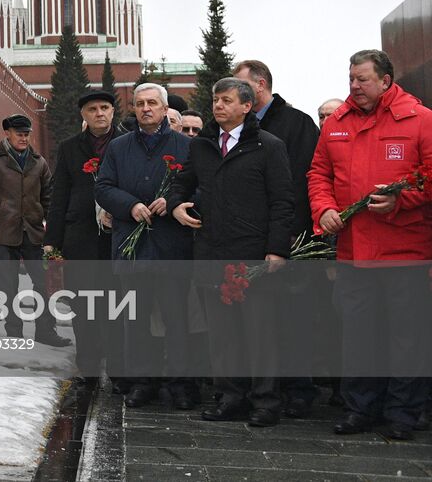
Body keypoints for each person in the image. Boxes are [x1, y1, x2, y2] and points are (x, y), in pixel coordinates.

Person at [309, 49, 432, 439]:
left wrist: (402, 200)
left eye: (362, 79)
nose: (355, 87)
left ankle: (403, 414)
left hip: (405, 253)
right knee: (359, 335)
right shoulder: (337, 123)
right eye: (351, 79)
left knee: (406, 338)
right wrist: (325, 209)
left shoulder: (420, 119)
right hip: (353, 253)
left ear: (385, 80)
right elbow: (318, 174)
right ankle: (360, 408)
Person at [169, 77, 293, 427]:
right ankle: (230, 397)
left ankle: (266, 402)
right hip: (211, 251)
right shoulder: (203, 146)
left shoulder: (268, 146)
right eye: (215, 100)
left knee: (259, 334)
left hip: (253, 254)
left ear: (246, 106)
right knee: (222, 334)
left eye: (226, 100)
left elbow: (283, 201)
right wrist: (177, 205)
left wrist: (277, 250)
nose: (218, 106)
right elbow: (182, 182)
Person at [94, 82, 197, 409]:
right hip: (132, 248)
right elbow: (103, 187)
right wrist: (131, 206)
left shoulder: (186, 146)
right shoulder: (119, 147)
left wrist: (174, 200)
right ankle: (142, 383)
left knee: (176, 319)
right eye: (140, 103)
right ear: (134, 109)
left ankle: (182, 385)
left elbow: (201, 186)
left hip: (171, 247)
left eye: (152, 103)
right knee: (134, 321)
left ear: (165, 109)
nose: (146, 108)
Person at [233, 58, 324, 416]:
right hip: (247, 240)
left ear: (259, 85)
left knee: (294, 317)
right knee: (258, 322)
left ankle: (300, 390)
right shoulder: (238, 126)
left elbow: (303, 182)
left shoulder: (296, 123)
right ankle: (261, 390)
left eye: (240, 86)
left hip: (289, 239)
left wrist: (288, 237)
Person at [44, 90, 126, 386]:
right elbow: (59, 195)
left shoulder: (128, 142)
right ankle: (88, 366)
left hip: (119, 237)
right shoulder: (70, 148)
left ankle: (118, 369)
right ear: (84, 115)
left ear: (113, 112)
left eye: (105, 107)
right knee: (84, 306)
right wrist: (52, 240)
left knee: (117, 305)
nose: (100, 113)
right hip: (80, 237)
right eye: (92, 109)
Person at [0, 115, 68, 347]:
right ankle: (14, 333)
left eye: (26, 133)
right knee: (8, 284)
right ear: (7, 133)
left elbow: (48, 198)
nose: (24, 138)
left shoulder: (39, 162)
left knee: (44, 283)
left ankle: (45, 330)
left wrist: (53, 231)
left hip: (33, 232)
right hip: (2, 232)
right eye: (19, 133)